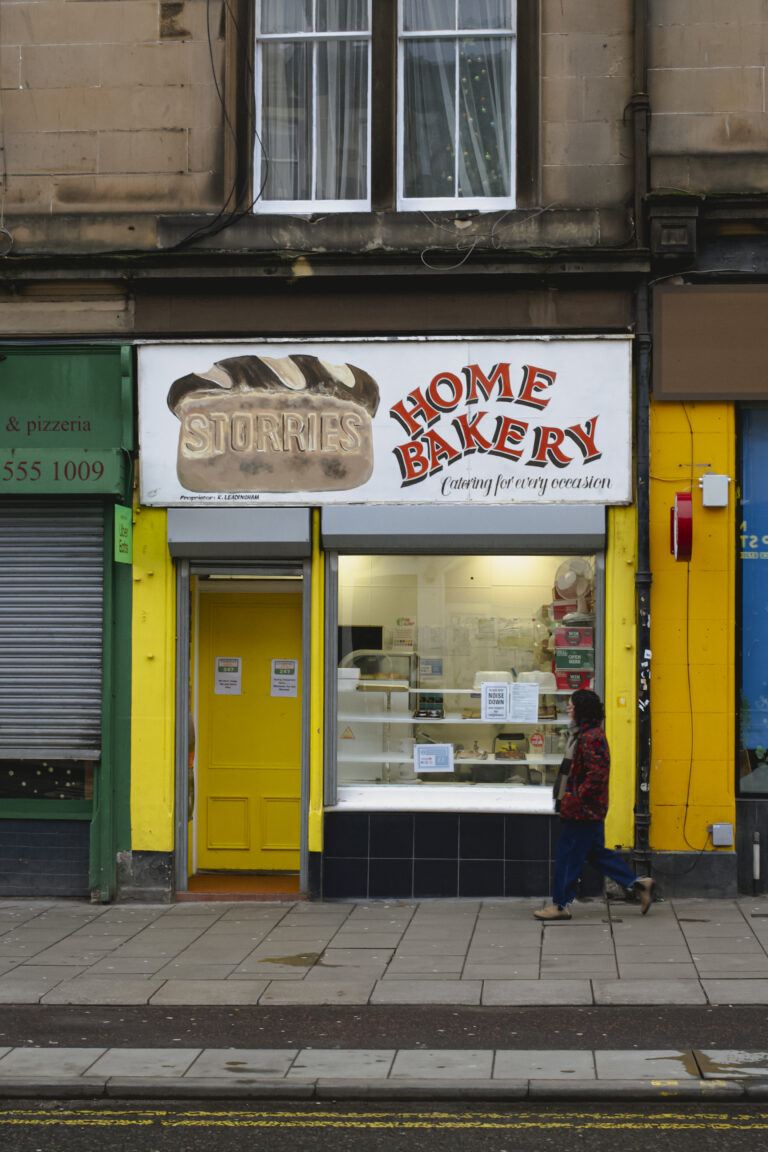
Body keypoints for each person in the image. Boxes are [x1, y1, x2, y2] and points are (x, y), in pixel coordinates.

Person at [534, 689, 655, 922]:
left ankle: (560, 905)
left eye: (571, 706)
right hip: (587, 809)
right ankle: (640, 884)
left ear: (582, 710)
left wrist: (574, 798)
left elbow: (597, 776)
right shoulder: (583, 733)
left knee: (566, 857)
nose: (568, 709)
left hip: (583, 811)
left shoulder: (591, 737)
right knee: (596, 854)